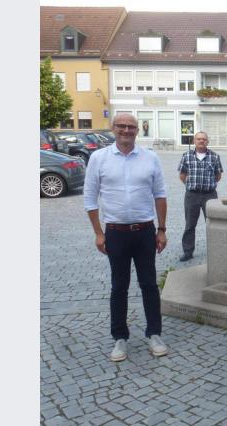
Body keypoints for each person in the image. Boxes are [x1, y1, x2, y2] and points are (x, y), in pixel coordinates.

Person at [83, 113, 170, 362]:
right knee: (119, 286)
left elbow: (160, 195)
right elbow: (90, 198)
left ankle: (154, 333)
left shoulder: (150, 158)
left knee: (149, 285)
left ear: (137, 131)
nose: (126, 130)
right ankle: (120, 338)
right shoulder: (99, 159)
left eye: (131, 127)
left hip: (144, 231)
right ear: (113, 128)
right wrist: (98, 233)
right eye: (121, 126)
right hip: (115, 233)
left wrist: (161, 229)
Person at [177, 131, 223, 262]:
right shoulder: (186, 156)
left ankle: (216, 251)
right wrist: (191, 185)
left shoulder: (214, 157)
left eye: (204, 139)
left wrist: (208, 184)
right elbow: (182, 175)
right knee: (190, 225)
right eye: (199, 139)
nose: (201, 141)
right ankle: (188, 251)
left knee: (213, 224)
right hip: (192, 195)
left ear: (207, 141)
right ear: (194, 141)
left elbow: (218, 175)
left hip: (210, 195)